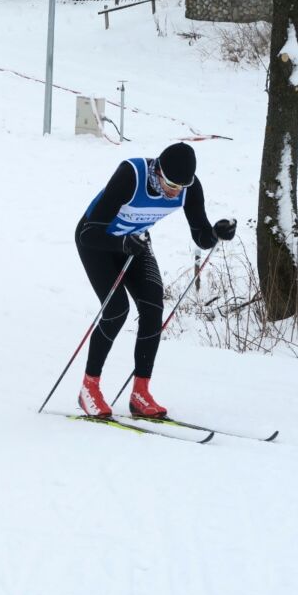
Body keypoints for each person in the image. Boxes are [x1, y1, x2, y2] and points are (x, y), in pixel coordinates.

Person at [74, 142, 236, 419]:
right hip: (99, 245)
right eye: (171, 183)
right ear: (158, 169)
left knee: (153, 309)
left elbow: (201, 235)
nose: (174, 191)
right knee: (116, 311)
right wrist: (122, 243)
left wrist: (217, 233)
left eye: (181, 186)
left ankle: (140, 392)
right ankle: (90, 388)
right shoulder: (131, 175)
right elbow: (90, 232)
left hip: (135, 244)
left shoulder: (189, 188)